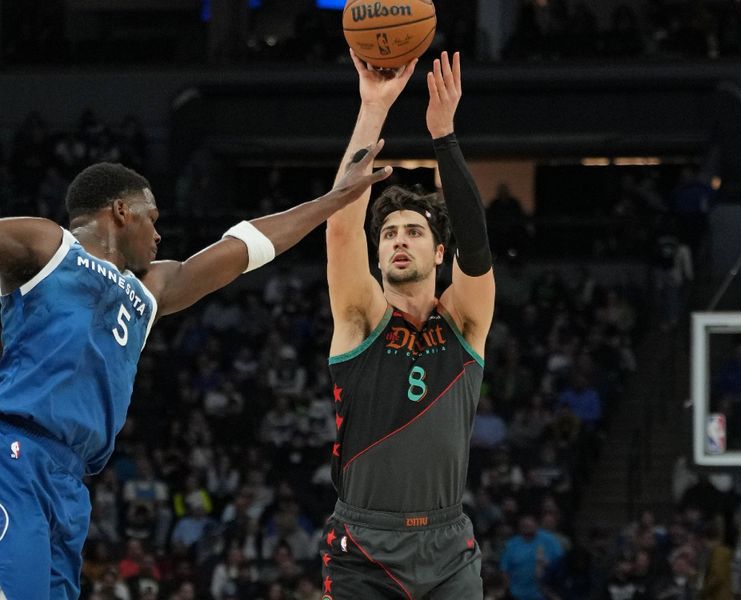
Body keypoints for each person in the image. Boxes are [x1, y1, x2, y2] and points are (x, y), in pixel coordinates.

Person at [0, 144, 391, 600]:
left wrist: (334, 199)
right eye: (154, 217)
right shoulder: (49, 245)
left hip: (71, 485)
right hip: (16, 454)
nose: (158, 234)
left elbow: (243, 249)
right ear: (122, 211)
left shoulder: (150, 288)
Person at [320, 50, 495, 598]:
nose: (399, 239)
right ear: (377, 258)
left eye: (414, 232)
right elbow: (342, 229)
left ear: (440, 253)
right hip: (365, 546)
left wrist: (444, 135)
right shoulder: (360, 318)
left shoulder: (464, 322)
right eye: (389, 233)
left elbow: (478, 243)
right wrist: (373, 108)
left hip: (448, 545)